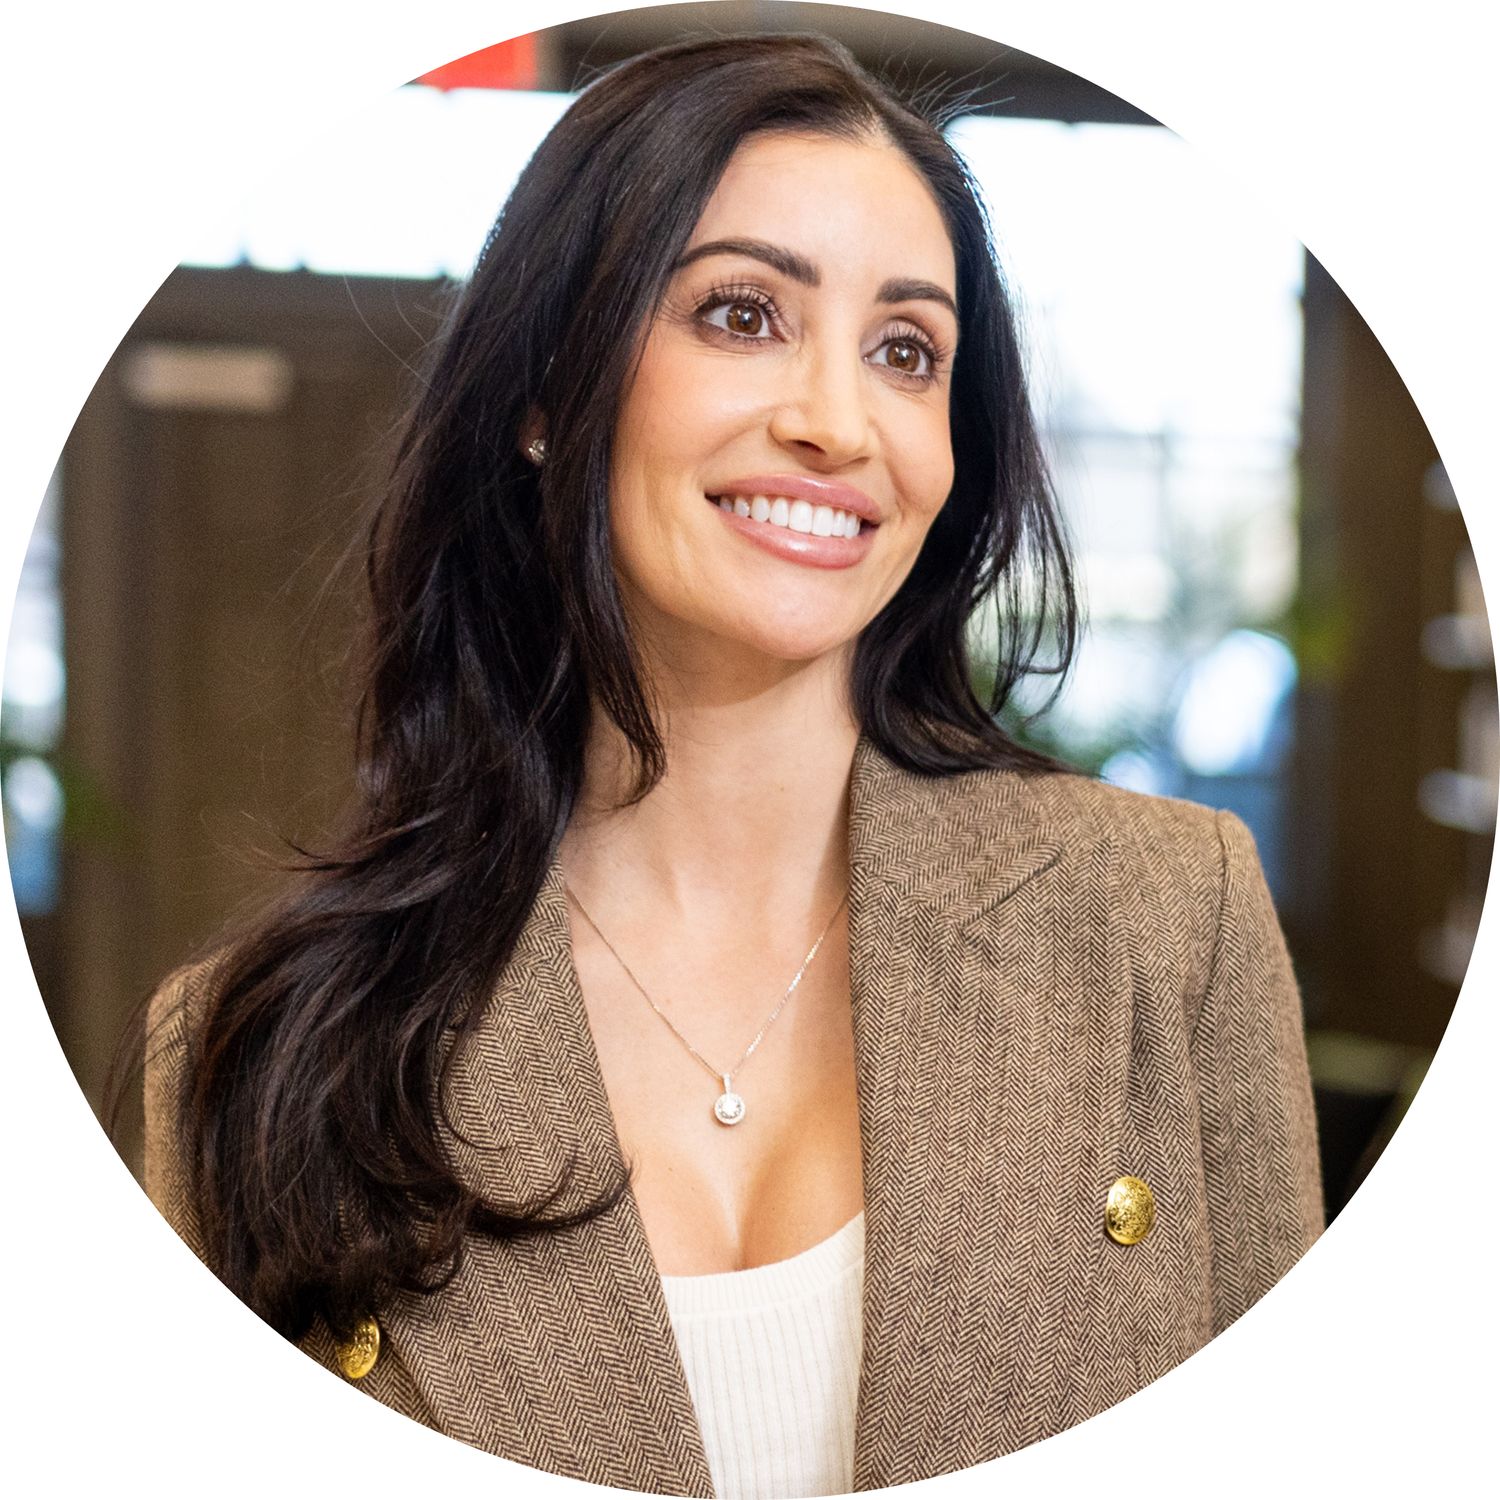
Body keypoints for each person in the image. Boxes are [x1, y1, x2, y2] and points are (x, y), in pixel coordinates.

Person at [136, 30, 1323, 1500]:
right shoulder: (251, 1054)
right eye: (743, 313)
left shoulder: (1166, 922)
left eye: (907, 350)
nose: (838, 421)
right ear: (546, 388)